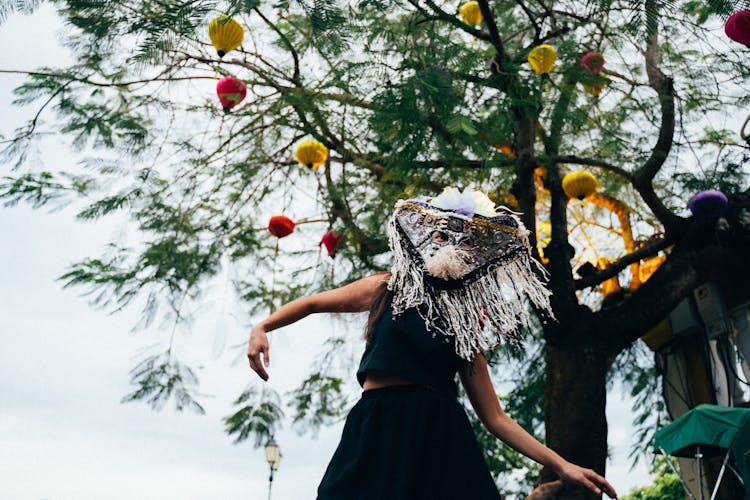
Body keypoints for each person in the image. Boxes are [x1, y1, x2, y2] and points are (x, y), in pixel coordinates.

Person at [247, 187, 618, 499]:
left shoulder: (464, 322)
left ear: (475, 254)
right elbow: (313, 303)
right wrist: (264, 325)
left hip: (438, 437)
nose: (453, 244)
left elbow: (496, 417)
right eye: (443, 235)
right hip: (377, 427)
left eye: (466, 240)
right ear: (426, 238)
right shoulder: (387, 287)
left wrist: (562, 465)